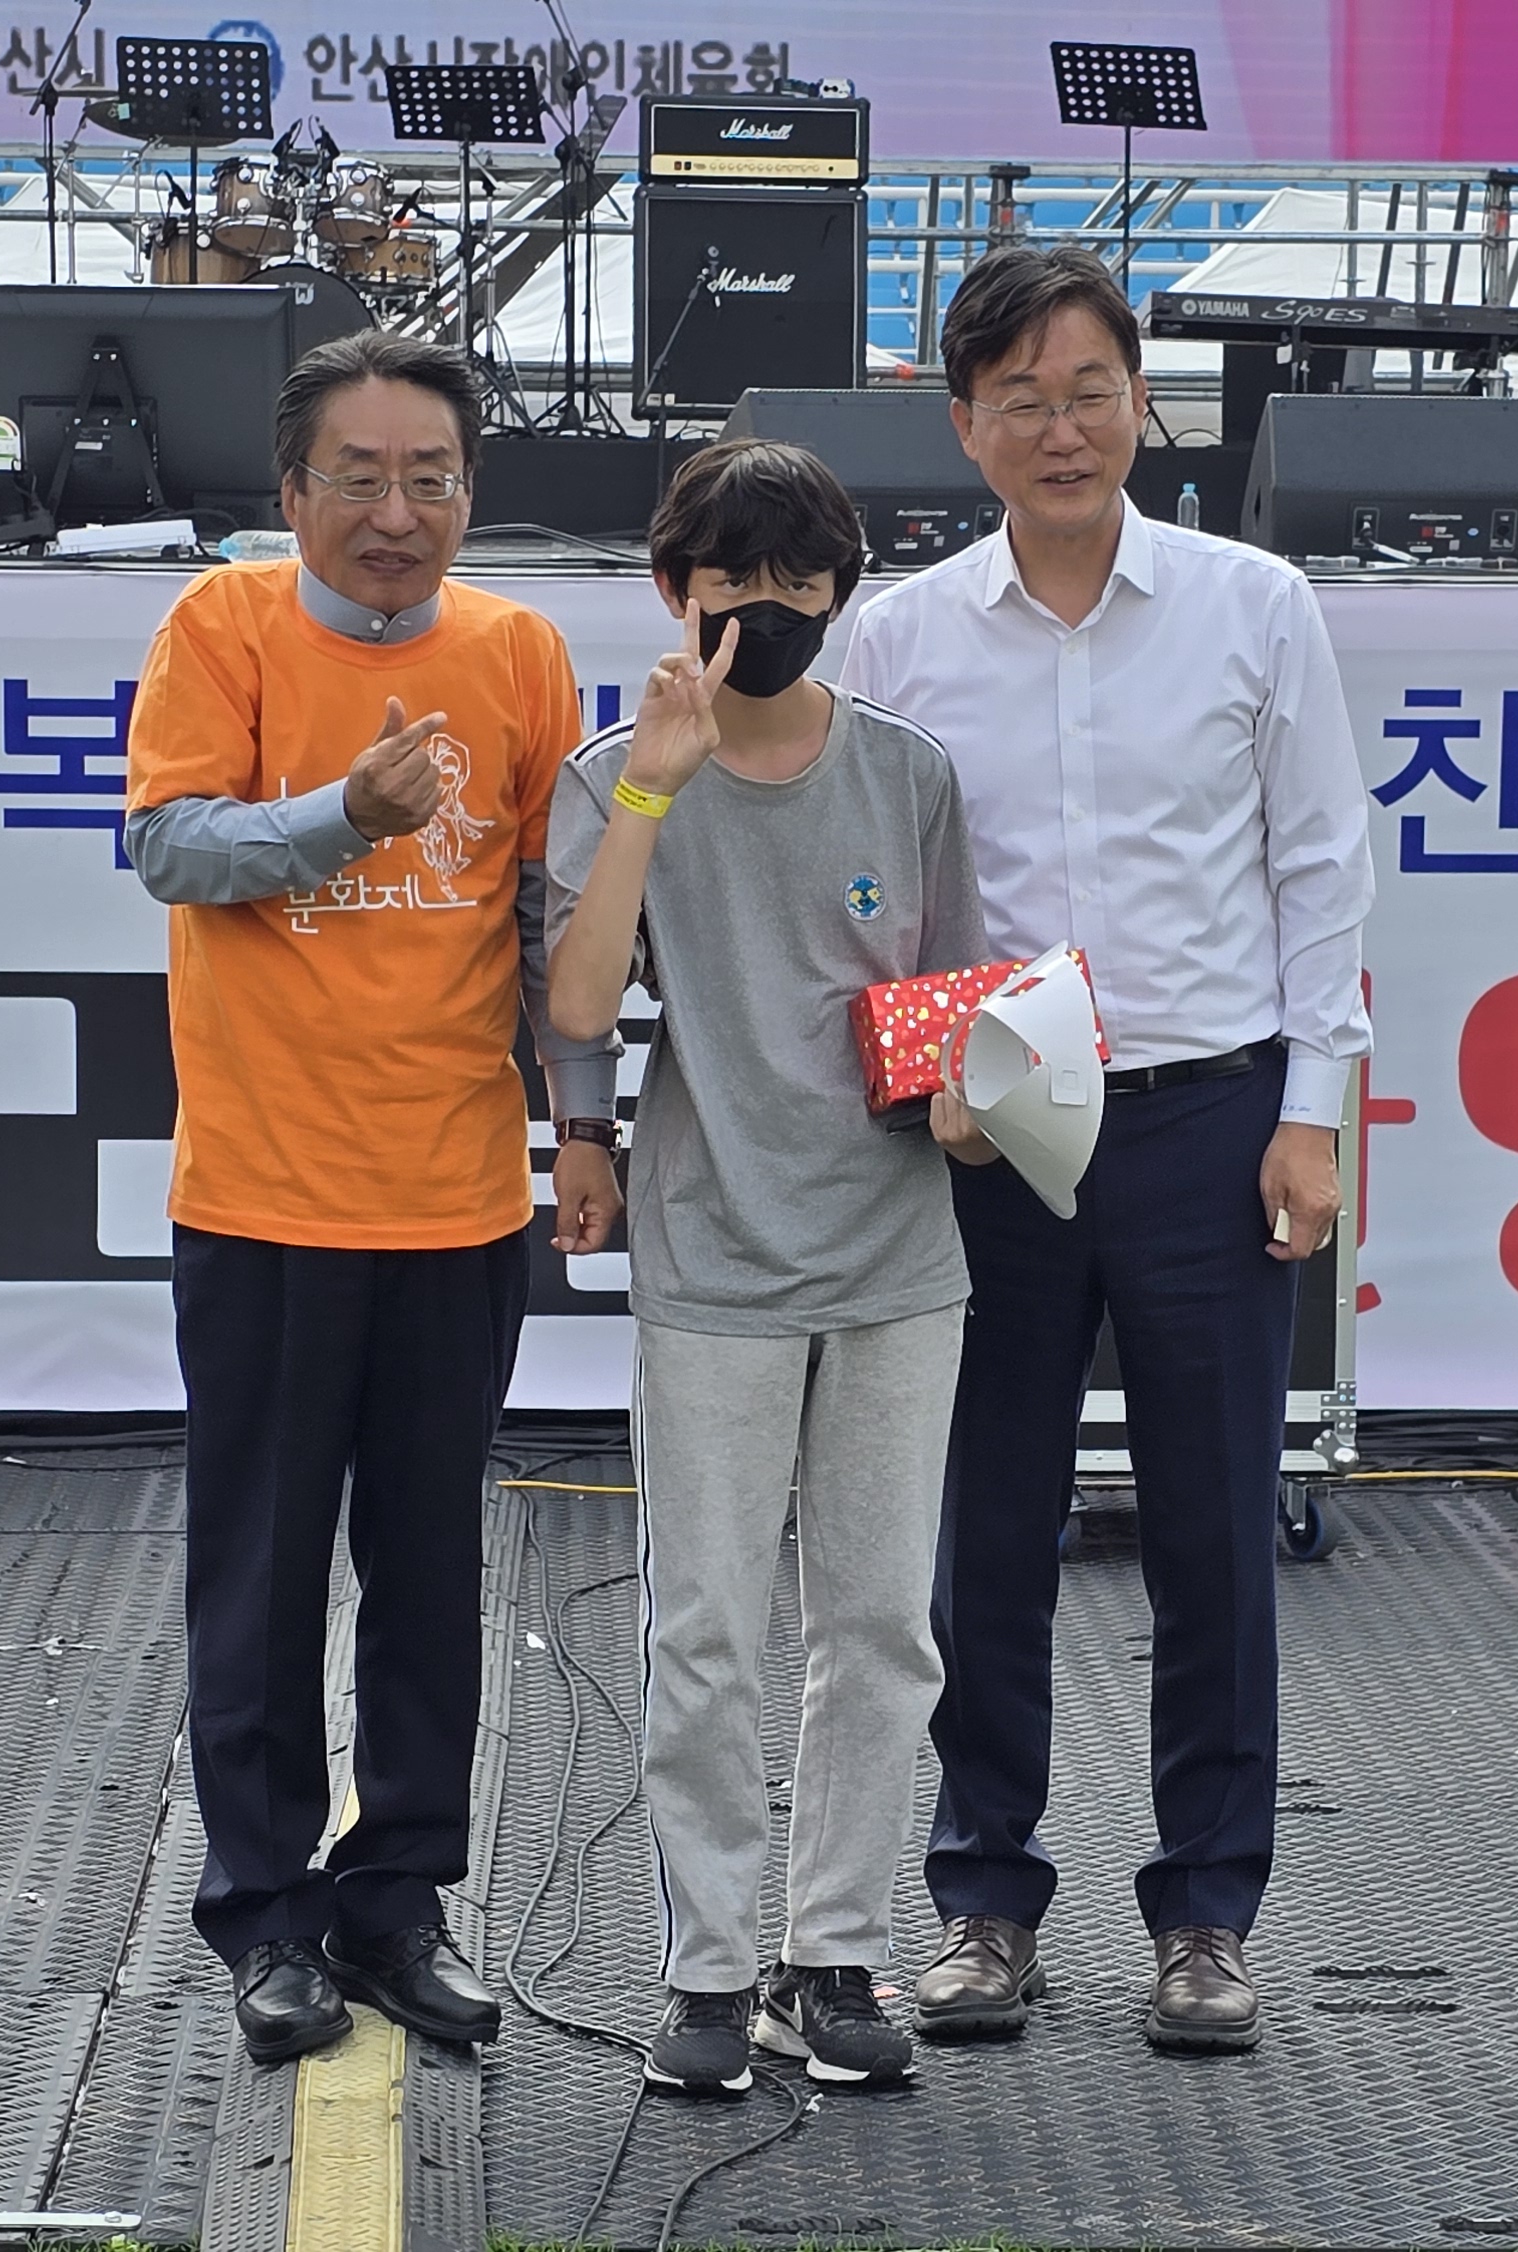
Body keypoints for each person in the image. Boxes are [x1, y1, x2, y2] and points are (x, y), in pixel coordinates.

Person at [837, 246, 1377, 2056]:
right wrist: (921, 1074)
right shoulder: (902, 635)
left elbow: (1320, 862)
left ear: (1144, 402)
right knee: (982, 1526)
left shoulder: (1253, 605)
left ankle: (1207, 1915)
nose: (1060, 430)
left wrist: (1313, 1114)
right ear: (963, 424)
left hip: (1210, 1119)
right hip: (988, 1135)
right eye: (1022, 399)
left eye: (1090, 392)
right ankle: (983, 1898)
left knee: (1213, 1529)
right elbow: (873, 893)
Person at [121, 330, 626, 2067]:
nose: (399, 512)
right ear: (295, 492)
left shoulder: (520, 652)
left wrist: (582, 1123)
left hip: (457, 1199)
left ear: (470, 495)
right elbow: (172, 845)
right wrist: (345, 813)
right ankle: (266, 1916)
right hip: (265, 1200)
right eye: (361, 477)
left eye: (432, 478)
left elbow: (547, 916)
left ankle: (399, 1901)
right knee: (260, 1582)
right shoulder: (224, 626)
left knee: (429, 1576)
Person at [542, 440, 991, 2099]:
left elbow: (955, 999)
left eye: (803, 581)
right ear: (678, 593)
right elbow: (575, 1004)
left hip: (896, 1254)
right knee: (708, 1628)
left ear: (841, 594)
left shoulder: (908, 774)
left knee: (879, 1626)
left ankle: (837, 1954)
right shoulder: (614, 776)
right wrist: (654, 790)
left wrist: (978, 1100)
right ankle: (710, 1969)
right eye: (737, 581)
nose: (771, 609)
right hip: (713, 1246)